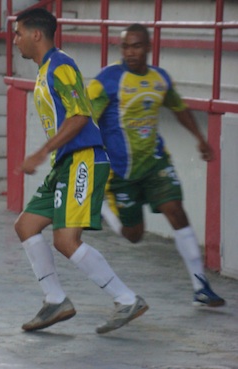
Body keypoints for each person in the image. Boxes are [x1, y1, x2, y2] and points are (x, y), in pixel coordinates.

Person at [12, 8, 148, 335]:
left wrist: (41, 152)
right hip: (66, 163)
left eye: (18, 33)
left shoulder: (61, 66)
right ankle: (55, 298)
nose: (15, 40)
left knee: (66, 240)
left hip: (83, 159)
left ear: (36, 34)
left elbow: (80, 117)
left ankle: (127, 299)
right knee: (26, 225)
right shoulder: (46, 70)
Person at [87, 23, 225, 307]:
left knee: (176, 211)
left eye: (136, 46)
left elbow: (178, 108)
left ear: (148, 48)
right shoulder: (107, 80)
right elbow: (85, 119)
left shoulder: (160, 79)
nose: (130, 52)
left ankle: (200, 286)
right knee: (134, 236)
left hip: (154, 163)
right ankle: (103, 207)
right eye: (125, 46)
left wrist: (200, 138)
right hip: (120, 172)